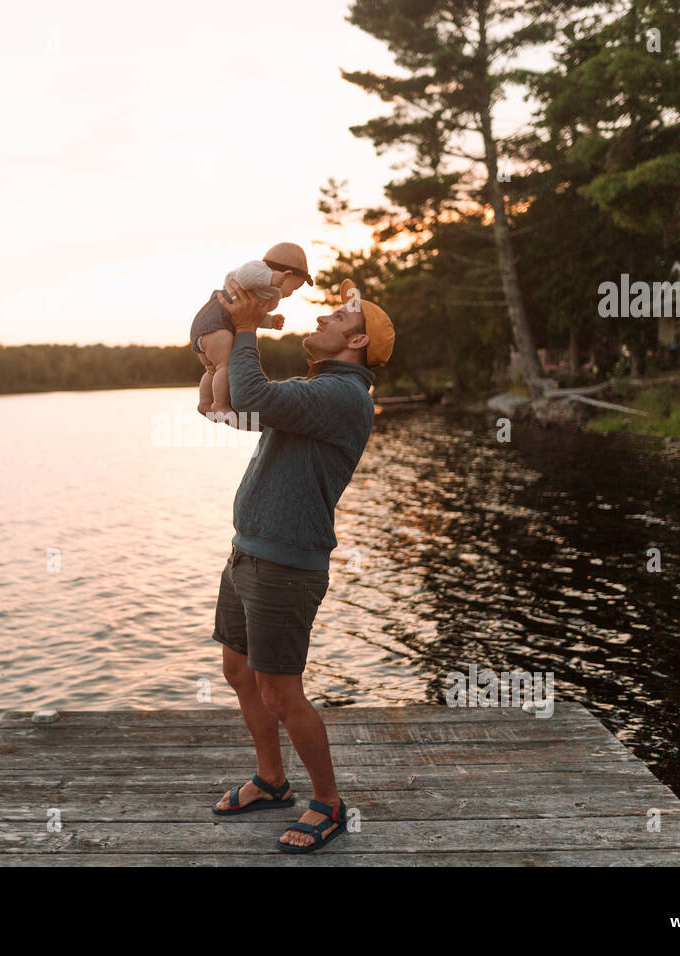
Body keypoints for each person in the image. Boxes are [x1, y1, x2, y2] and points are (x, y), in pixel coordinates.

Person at [204, 276, 395, 853]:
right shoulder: (319, 389)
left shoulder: (341, 397)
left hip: (285, 566)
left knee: (282, 693)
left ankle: (330, 805)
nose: (321, 320)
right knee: (240, 674)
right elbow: (246, 404)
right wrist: (218, 368)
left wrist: (243, 330)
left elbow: (257, 394)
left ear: (357, 340)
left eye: (336, 318)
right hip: (248, 552)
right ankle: (271, 781)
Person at [190, 242, 314, 423]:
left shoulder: (265, 292)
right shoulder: (258, 269)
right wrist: (271, 277)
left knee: (212, 369)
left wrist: (270, 322)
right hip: (215, 321)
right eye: (294, 288)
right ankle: (221, 405)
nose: (291, 293)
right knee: (225, 364)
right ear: (286, 274)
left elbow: (251, 315)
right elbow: (244, 276)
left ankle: (205, 403)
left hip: (208, 326)